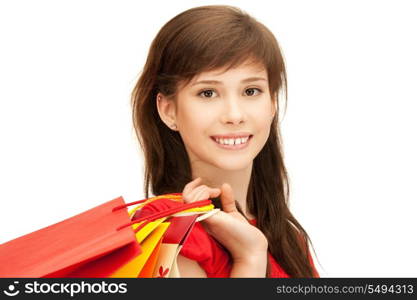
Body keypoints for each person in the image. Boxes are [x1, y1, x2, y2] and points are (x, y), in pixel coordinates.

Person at [131, 5, 319, 278]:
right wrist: (250, 258)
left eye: (251, 91)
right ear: (168, 110)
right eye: (208, 93)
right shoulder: (169, 229)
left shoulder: (289, 241)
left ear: (272, 103)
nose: (234, 115)